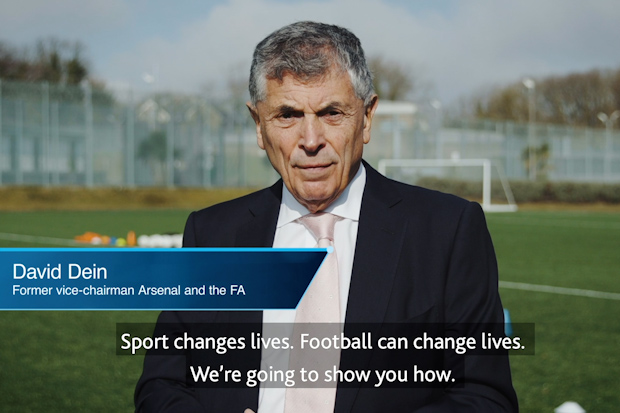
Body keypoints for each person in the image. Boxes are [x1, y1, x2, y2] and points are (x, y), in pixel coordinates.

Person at [135, 21, 518, 412]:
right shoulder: (212, 234)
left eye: (332, 112)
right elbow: (161, 385)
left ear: (366, 118)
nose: (311, 140)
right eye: (287, 115)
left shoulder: (447, 230)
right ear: (258, 126)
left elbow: (485, 396)